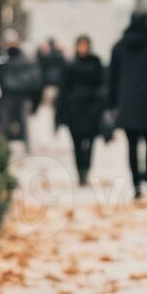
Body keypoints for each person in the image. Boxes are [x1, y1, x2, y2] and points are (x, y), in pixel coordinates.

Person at [108, 11, 147, 198]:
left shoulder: (119, 47)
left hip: (127, 102)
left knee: (132, 144)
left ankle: (136, 185)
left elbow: (111, 78)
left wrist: (112, 104)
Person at [56, 35, 106, 185]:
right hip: (75, 111)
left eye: (85, 45)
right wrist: (61, 115)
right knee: (77, 143)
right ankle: (80, 173)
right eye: (80, 45)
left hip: (91, 110)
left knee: (90, 143)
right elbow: (63, 90)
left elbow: (102, 84)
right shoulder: (70, 65)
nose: (83, 48)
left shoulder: (96, 63)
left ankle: (86, 169)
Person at [0, 37, 42, 145]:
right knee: (11, 124)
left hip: (16, 97)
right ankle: (18, 147)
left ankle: (6, 147)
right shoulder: (22, 61)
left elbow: (33, 81)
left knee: (10, 124)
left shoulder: (13, 62)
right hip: (15, 96)